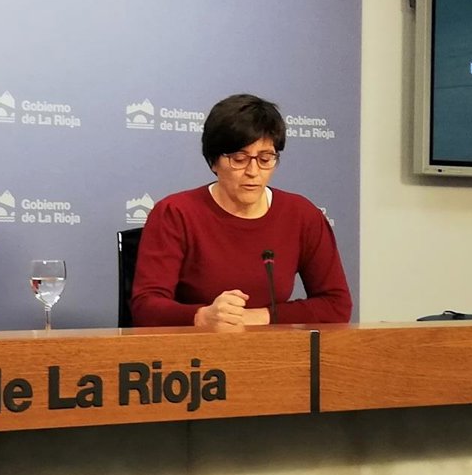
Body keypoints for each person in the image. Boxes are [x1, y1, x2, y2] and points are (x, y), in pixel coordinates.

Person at [130, 94, 351, 330]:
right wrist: (202, 317)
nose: (253, 171)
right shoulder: (175, 213)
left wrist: (262, 316)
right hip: (195, 350)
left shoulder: (302, 215)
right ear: (213, 161)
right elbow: (145, 307)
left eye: (265, 159)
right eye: (239, 159)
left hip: (274, 349)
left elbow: (336, 304)